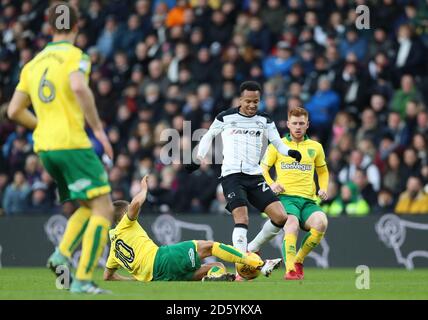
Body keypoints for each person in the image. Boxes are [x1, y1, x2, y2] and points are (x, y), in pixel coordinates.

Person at [7, 2, 114, 294]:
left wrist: (41, 125)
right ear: (77, 27)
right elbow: (79, 87)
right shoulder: (76, 56)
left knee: (87, 204)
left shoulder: (32, 64)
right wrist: (99, 131)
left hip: (45, 148)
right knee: (104, 207)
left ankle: (61, 255)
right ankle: (82, 279)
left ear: (49, 26)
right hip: (71, 143)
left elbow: (14, 110)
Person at [185, 81, 301, 280]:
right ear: (240, 100)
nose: (252, 105)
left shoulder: (265, 119)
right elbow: (208, 136)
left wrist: (290, 152)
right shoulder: (225, 117)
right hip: (231, 175)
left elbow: (278, 144)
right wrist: (198, 158)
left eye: (256, 101)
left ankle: (251, 249)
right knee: (242, 218)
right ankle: (242, 264)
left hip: (254, 176)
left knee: (281, 217)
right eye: (248, 101)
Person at [104, 176, 282, 282]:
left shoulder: (114, 248)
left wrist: (134, 279)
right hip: (162, 258)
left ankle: (213, 279)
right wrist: (143, 189)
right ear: (124, 214)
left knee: (216, 266)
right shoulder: (125, 224)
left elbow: (108, 276)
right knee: (210, 247)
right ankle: (260, 264)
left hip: (159, 277)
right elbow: (135, 204)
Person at [248, 107, 329, 280]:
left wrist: (323, 188)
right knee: (291, 224)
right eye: (294, 123)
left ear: (307, 125)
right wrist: (272, 184)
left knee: (321, 223)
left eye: (301, 123)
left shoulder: (316, 147)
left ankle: (298, 260)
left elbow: (322, 171)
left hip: (308, 200)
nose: (298, 127)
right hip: (285, 198)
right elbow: (262, 169)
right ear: (288, 124)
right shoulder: (277, 146)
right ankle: (291, 270)